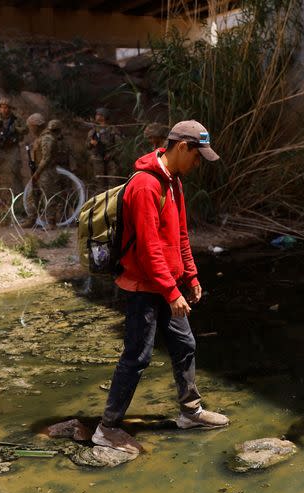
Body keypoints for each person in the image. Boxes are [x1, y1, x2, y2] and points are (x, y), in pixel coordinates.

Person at [92, 120, 229, 453]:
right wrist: (172, 292)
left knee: (185, 345)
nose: (198, 164)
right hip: (143, 285)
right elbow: (149, 249)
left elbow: (180, 234)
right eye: (197, 157)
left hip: (167, 283)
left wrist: (191, 276)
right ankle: (106, 428)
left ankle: (190, 412)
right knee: (137, 356)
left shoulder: (174, 182)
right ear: (182, 148)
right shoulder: (145, 185)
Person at [24, 115, 74, 229]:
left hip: (46, 172)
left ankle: (51, 222)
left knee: (49, 197)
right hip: (40, 171)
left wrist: (37, 173)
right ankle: (32, 219)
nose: (30, 129)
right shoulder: (42, 137)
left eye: (31, 127)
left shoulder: (47, 138)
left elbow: (46, 158)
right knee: (33, 195)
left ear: (36, 126)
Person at [86, 107, 121, 192]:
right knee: (99, 182)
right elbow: (87, 145)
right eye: (97, 114)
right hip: (97, 159)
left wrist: (111, 154)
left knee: (113, 181)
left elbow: (119, 145)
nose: (97, 116)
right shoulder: (93, 131)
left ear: (104, 116)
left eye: (99, 115)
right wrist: (91, 143)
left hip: (111, 159)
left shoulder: (112, 129)